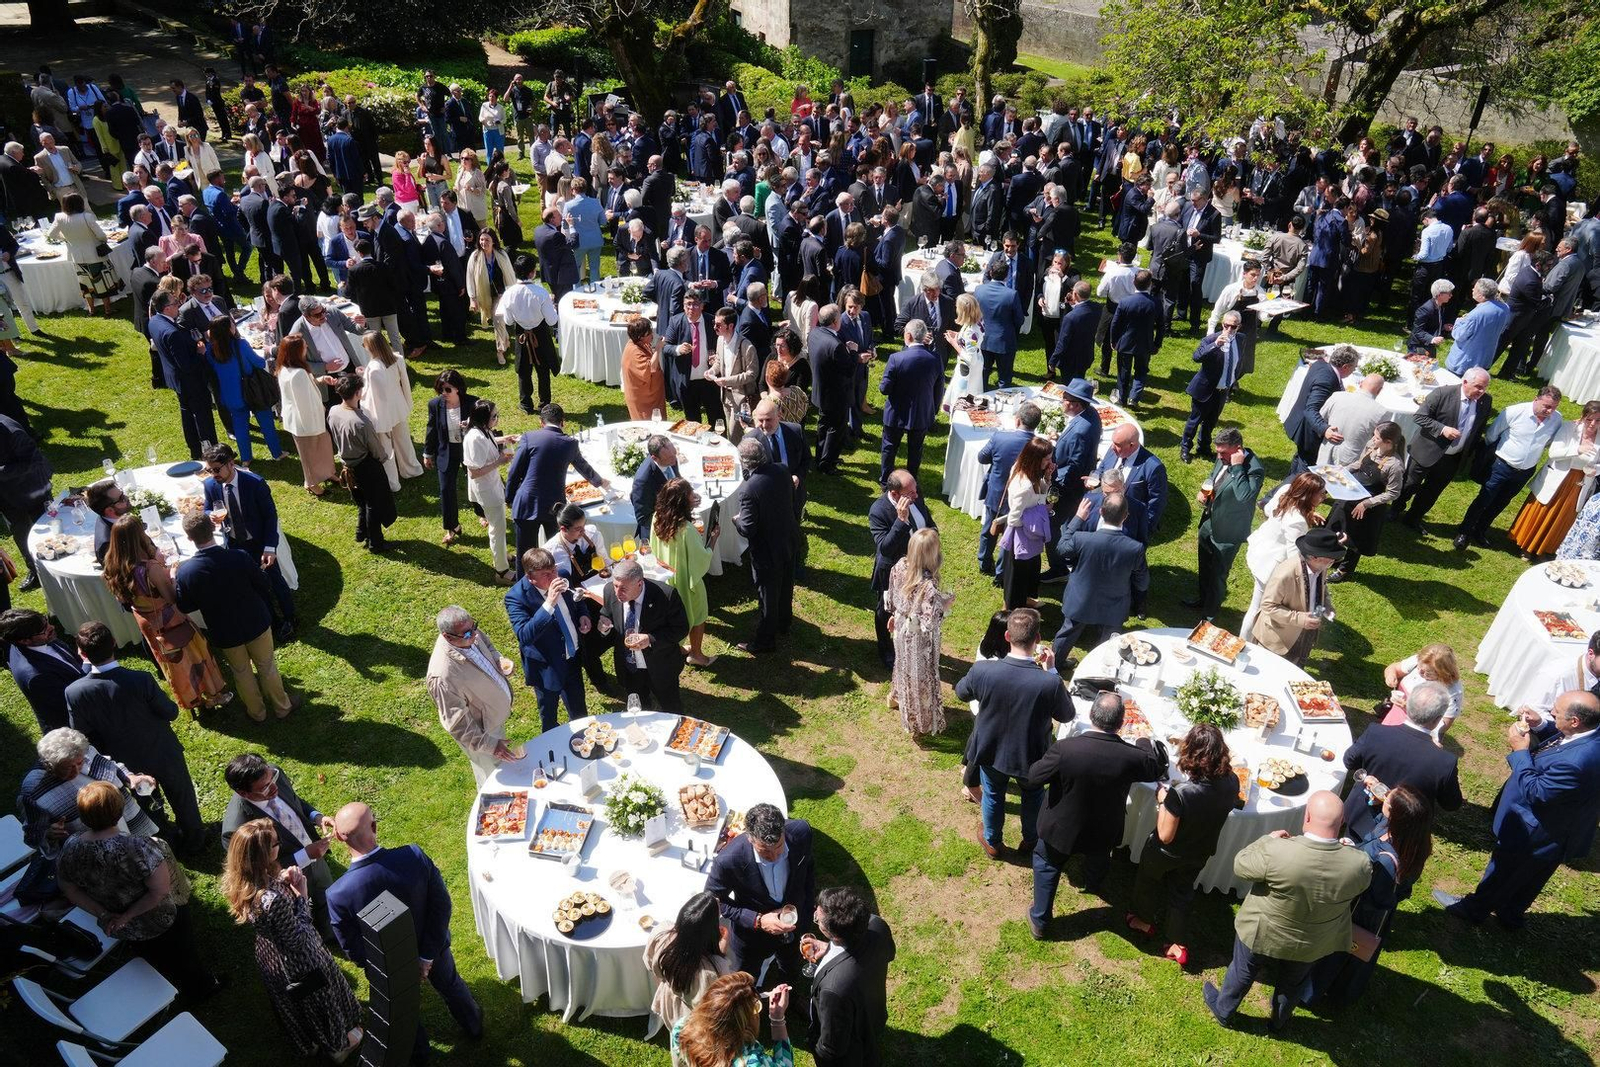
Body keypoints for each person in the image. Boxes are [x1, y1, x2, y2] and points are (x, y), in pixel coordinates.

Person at [1202, 791, 1373, 1033]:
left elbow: (1241, 865)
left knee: (1243, 970)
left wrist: (1267, 840)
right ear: (1342, 822)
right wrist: (1350, 850)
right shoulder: (1360, 864)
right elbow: (1362, 884)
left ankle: (1224, 1010)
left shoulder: (1278, 850)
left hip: (1263, 932)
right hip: (1313, 941)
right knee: (1293, 983)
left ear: (1307, 817)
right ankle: (1279, 1021)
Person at [1434, 690, 1600, 930]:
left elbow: (1536, 792)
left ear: (1575, 721)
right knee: (1533, 876)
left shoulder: (1575, 763)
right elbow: (1567, 740)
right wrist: (1542, 725)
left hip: (1537, 830)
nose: (1552, 713)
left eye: (1557, 712)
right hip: (1563, 828)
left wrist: (1520, 751)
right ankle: (1511, 913)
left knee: (1505, 869)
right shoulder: (1590, 734)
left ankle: (1474, 909)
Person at [328, 802, 483, 1051]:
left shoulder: (338, 894)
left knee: (403, 1012)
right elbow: (441, 906)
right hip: (434, 949)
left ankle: (419, 1052)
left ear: (337, 837)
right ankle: (474, 1025)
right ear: (375, 827)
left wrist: (388, 967)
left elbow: (352, 948)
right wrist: (426, 956)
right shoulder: (413, 856)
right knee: (451, 985)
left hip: (388, 970)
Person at [56, 780, 220, 995]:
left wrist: (106, 915)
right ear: (118, 811)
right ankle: (202, 988)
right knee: (183, 953)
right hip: (159, 918)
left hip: (122, 928)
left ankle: (163, 985)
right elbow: (159, 892)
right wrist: (126, 916)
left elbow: (69, 889)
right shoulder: (139, 847)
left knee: (151, 955)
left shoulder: (71, 847)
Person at [221, 818, 363, 1062]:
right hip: (300, 960)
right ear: (262, 855)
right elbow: (298, 937)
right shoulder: (272, 900)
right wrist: (301, 896)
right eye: (275, 844)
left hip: (271, 954)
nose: (281, 845)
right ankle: (338, 1045)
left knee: (297, 1003)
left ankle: (308, 1043)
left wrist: (282, 882)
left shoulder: (244, 882)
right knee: (320, 998)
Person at [1025, 691, 1167, 934]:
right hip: (1104, 829)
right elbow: (1154, 767)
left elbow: (1033, 778)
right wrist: (1143, 739)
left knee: (1047, 864)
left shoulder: (1066, 749)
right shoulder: (1131, 757)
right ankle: (1093, 882)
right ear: (1121, 724)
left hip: (1061, 828)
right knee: (1099, 857)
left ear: (1091, 715)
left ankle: (1040, 920)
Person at [65, 621, 204, 852]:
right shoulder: (141, 679)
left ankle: (165, 839)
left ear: (81, 654)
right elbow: (170, 712)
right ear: (115, 644)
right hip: (163, 751)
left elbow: (81, 734)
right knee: (182, 796)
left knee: (147, 804)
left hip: (126, 764)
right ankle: (195, 839)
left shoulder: (75, 692)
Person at [1302, 784, 1434, 1006]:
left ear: (1397, 816)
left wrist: (1347, 862)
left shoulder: (1386, 862)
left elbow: (1375, 898)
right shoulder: (1409, 837)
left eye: (1388, 802)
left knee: (1336, 953)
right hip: (1365, 899)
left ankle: (1310, 993)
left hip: (1359, 913)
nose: (1385, 798)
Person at [957, 608, 1072, 859]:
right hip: (1031, 756)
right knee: (1032, 798)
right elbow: (1067, 715)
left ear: (1007, 636)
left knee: (994, 795)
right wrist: (1052, 670)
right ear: (1038, 639)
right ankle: (1030, 841)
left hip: (991, 749)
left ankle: (992, 842)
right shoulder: (1049, 682)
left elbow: (961, 692)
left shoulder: (983, 671)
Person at [1126, 723, 1241, 964]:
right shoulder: (1232, 781)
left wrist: (1162, 801)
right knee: (1182, 892)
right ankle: (1176, 943)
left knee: (1147, 882)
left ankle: (1143, 922)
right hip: (1200, 850)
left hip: (1166, 853)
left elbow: (1165, 835)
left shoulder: (1182, 794)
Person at [705, 802, 816, 983]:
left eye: (779, 847)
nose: (774, 857)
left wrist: (807, 907)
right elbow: (713, 900)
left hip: (795, 924)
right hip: (752, 939)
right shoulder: (728, 860)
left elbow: (809, 869)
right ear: (749, 838)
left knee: (790, 967)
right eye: (765, 852)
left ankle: (790, 996)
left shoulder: (802, 832)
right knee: (746, 981)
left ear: (784, 832)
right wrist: (757, 920)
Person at [1342, 680, 1462, 839]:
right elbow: (1451, 803)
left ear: (1408, 706)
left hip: (1360, 818)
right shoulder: (1444, 762)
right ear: (1438, 719)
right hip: (1402, 832)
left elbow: (1349, 761)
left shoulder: (1376, 733)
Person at [1454, 386, 1565, 550]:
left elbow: (1549, 442)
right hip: (1501, 466)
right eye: (1546, 406)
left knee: (1501, 502)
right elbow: (1492, 435)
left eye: (1554, 408)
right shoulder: (1514, 412)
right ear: (1536, 399)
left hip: (1525, 471)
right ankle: (1464, 531)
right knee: (1484, 498)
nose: (1550, 411)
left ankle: (1480, 530)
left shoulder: (1557, 419)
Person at [804, 886, 896, 1067]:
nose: (815, 915)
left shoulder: (834, 988)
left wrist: (819, 1049)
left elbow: (833, 1047)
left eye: (818, 919)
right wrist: (830, 948)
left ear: (835, 935)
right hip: (873, 1013)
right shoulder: (877, 925)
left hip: (850, 1049)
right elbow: (889, 954)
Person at [427, 605, 518, 784]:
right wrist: (490, 745)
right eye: (468, 634)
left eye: (474, 628)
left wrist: (499, 659)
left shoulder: (468, 632)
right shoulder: (443, 676)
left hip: (492, 721)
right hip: (481, 735)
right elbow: (457, 724)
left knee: (505, 773)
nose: (474, 635)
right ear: (447, 637)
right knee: (493, 781)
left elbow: (488, 646)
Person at [506, 402, 610, 559]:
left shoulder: (529, 437)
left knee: (525, 556)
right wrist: (600, 481)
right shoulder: (570, 444)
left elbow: (514, 472)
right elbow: (583, 466)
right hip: (554, 507)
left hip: (527, 503)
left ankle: (524, 583)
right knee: (556, 554)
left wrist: (510, 497)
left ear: (541, 422)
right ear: (563, 422)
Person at [505, 547, 591, 732]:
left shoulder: (563, 575)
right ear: (530, 577)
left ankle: (583, 745)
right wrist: (549, 603)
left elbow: (577, 598)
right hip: (546, 667)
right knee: (549, 716)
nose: (553, 577)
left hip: (572, 657)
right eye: (546, 574)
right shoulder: (516, 598)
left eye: (554, 570)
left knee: (580, 714)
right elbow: (524, 636)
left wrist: (584, 614)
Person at [1053, 492, 1148, 659]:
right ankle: (1101, 674)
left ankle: (1053, 667)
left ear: (1101, 512)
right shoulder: (1135, 548)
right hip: (1114, 605)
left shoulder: (1082, 539)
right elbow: (1142, 582)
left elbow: (1061, 548)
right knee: (1109, 645)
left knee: (1066, 634)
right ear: (1125, 516)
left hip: (1081, 600)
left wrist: (1078, 519)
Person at [1397, 369, 1493, 529]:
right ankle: (1395, 509)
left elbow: (1479, 427)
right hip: (1426, 451)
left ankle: (1413, 518)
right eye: (1478, 387)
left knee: (1432, 491)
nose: (1481, 391)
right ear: (1465, 382)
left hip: (1453, 458)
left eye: (1484, 388)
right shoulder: (1443, 393)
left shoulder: (1485, 401)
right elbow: (1420, 416)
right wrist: (1442, 429)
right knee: (1410, 484)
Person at [1187, 428, 1265, 620]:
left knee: (1218, 575)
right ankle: (1203, 598)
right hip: (1209, 522)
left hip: (1228, 532)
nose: (1218, 456)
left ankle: (1210, 614)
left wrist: (1237, 467)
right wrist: (1205, 491)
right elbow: (1215, 477)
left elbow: (1244, 496)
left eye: (1223, 452)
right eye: (1218, 451)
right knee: (1204, 565)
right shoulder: (1222, 457)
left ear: (1237, 449)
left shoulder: (1254, 469)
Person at [886, 527, 956, 735]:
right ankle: (920, 721)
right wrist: (945, 605)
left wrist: (894, 615)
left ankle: (897, 697)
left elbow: (891, 598)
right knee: (921, 677)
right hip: (919, 638)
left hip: (901, 625)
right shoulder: (929, 588)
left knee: (902, 666)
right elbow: (931, 622)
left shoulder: (899, 566)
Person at [1510, 400, 1600, 558]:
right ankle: (1526, 545)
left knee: (1562, 517)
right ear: (1583, 416)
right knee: (1544, 510)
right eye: (1589, 419)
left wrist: (1595, 470)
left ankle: (1545, 548)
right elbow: (1553, 453)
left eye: (1598, 420)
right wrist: (1577, 449)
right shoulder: (1569, 427)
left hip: (1580, 482)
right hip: (1558, 476)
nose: (1593, 424)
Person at [1240, 474, 1326, 639]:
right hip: (1270, 565)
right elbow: (1295, 556)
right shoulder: (1297, 522)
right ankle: (1244, 643)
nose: (1324, 497)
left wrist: (1309, 514)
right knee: (1256, 608)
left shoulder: (1286, 490)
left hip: (1261, 551)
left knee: (1257, 604)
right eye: (1321, 494)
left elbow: (1267, 509)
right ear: (1308, 495)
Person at [734, 436, 799, 654]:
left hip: (767, 551)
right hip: (788, 539)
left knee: (767, 596)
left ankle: (765, 641)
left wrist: (736, 520)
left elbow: (748, 528)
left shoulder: (749, 489)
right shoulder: (782, 469)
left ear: (745, 462)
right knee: (786, 584)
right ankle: (784, 623)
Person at [601, 558, 689, 713]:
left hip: (660, 665)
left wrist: (650, 639)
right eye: (615, 586)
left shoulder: (666, 596)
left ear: (639, 584)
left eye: (623, 589)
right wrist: (603, 625)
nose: (617, 593)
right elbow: (607, 612)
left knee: (671, 707)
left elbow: (681, 628)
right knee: (639, 710)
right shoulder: (610, 591)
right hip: (629, 668)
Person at [646, 891, 735, 1041]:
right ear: (710, 930)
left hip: (671, 1002)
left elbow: (650, 964)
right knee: (692, 1049)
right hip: (696, 1017)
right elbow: (719, 1003)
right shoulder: (714, 968)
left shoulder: (661, 934)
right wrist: (721, 953)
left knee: (676, 1038)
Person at [1322, 421, 1405, 580]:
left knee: (1355, 539)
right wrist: (1341, 471)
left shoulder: (1395, 466)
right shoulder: (1371, 446)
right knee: (1336, 526)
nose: (1373, 439)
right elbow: (1360, 463)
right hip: (1351, 494)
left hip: (1369, 505)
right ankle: (1333, 556)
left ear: (1388, 442)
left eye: (1377, 437)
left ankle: (1344, 570)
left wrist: (1366, 504)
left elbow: (1393, 493)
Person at [869, 470, 936, 667]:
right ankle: (886, 650)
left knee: (917, 607)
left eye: (916, 490)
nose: (916, 495)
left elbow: (928, 521)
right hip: (893, 571)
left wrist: (933, 536)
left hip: (921, 566)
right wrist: (901, 520)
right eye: (911, 492)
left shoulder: (916, 495)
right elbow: (886, 548)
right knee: (886, 611)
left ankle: (914, 644)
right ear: (896, 494)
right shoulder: (878, 510)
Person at [1250, 527, 1343, 667]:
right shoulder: (1285, 574)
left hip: (1302, 637)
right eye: (1330, 560)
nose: (1332, 563)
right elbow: (1268, 606)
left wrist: (1327, 606)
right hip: (1278, 640)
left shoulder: (1320, 567)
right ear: (1314, 557)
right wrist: (1300, 619)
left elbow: (1322, 588)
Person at [653, 477, 718, 667]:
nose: (693, 496)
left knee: (672, 618)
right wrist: (713, 538)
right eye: (690, 494)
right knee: (698, 615)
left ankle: (680, 649)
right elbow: (701, 558)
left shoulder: (656, 518)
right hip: (687, 581)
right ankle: (696, 655)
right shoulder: (686, 529)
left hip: (666, 578)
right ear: (682, 501)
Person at [327, 374, 396, 552]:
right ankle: (376, 543)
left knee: (361, 501)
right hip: (366, 466)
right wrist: (383, 459)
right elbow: (376, 449)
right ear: (358, 393)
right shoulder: (361, 422)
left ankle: (361, 531)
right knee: (373, 504)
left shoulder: (333, 411)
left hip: (347, 466)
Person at [148, 288, 217, 458]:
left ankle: (195, 449)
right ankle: (213, 453)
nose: (179, 304)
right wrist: (200, 353)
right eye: (175, 303)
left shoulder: (154, 321)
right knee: (203, 417)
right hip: (190, 382)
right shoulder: (172, 334)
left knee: (187, 414)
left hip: (176, 380)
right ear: (166, 309)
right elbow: (186, 365)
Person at [671, 971, 793, 1067]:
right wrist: (777, 1019)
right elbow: (786, 1064)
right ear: (740, 1025)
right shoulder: (752, 1063)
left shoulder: (682, 1029)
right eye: (755, 1008)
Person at [877, 319, 943, 486]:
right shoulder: (935, 358)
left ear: (908, 336)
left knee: (889, 448)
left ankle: (886, 482)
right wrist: (932, 410)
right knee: (915, 450)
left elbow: (884, 389)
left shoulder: (896, 358)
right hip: (921, 413)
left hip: (896, 413)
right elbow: (939, 389)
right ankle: (911, 482)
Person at [2, 609, 87, 733]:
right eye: (44, 630)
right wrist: (89, 664)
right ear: (24, 640)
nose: (51, 627)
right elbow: (71, 703)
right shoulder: (36, 675)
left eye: (46, 621)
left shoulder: (38, 640)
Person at [272, 335, 337, 495]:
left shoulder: (286, 368)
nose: (307, 347)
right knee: (309, 452)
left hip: (305, 418)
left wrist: (320, 379)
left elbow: (305, 386)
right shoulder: (298, 372)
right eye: (304, 346)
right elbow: (304, 402)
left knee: (323, 445)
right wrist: (319, 411)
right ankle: (312, 483)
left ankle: (328, 472)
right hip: (305, 420)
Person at [496, 252, 560, 413]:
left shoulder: (509, 293)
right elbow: (552, 320)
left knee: (524, 370)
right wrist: (552, 305)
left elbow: (509, 321)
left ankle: (526, 403)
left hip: (521, 334)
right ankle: (544, 403)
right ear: (532, 272)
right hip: (540, 334)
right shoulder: (540, 292)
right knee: (543, 369)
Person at [359, 331, 421, 491]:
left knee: (386, 449)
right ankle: (411, 469)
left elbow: (374, 396)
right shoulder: (398, 359)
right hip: (398, 406)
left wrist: (363, 378)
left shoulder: (374, 369)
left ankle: (392, 482)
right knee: (403, 440)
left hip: (382, 413)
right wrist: (407, 403)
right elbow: (405, 384)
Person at [1180, 311, 1244, 464]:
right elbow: (1196, 357)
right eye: (1225, 325)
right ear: (1222, 324)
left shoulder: (1241, 340)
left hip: (1222, 391)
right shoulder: (1210, 339)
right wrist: (1215, 345)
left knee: (1211, 422)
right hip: (1204, 389)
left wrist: (1233, 381)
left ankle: (1203, 447)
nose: (1228, 330)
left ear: (1238, 327)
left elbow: (1237, 363)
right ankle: (1185, 448)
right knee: (1194, 421)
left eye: (1233, 327)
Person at [462, 400, 515, 583]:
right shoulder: (475, 437)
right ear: (484, 418)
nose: (497, 419)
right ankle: (501, 571)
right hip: (487, 490)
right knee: (497, 528)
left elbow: (489, 441)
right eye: (494, 416)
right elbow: (474, 472)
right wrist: (499, 462)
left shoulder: (482, 430)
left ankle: (503, 555)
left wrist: (505, 438)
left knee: (498, 526)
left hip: (491, 486)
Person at [1284, 345, 1358, 473]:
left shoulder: (1320, 364)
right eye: (1354, 367)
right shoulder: (1326, 381)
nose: (1354, 369)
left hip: (1300, 422)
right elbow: (1311, 409)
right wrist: (1325, 429)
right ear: (1345, 367)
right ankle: (1298, 489)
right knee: (1307, 464)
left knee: (1301, 456)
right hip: (1307, 429)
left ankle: (1290, 482)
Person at [423, 368, 477, 544]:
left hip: (468, 449)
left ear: (458, 389)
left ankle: (483, 514)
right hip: (446, 451)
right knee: (446, 489)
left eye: (447, 389)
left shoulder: (472, 403)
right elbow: (431, 429)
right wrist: (427, 453)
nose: (443, 393)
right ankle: (451, 526)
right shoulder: (435, 404)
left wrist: (469, 426)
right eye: (441, 389)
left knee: (476, 483)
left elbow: (485, 426)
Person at [46, 191, 118, 315]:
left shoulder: (60, 217)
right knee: (102, 282)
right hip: (95, 255)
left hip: (77, 256)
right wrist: (103, 239)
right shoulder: (87, 217)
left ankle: (91, 309)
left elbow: (51, 234)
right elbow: (101, 236)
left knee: (85, 283)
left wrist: (66, 238)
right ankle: (107, 309)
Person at [1378, 643, 1464, 732]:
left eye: (1428, 672)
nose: (1419, 672)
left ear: (1442, 673)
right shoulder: (1422, 660)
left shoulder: (1452, 691)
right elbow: (1394, 668)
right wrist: (1390, 675)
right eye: (1419, 667)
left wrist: (1412, 710)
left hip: (1415, 732)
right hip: (1393, 717)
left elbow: (1443, 726)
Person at [1316, 372, 1387, 466]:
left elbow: (1318, 420)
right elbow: (1378, 440)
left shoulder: (1337, 396)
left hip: (1325, 453)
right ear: (1379, 391)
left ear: (1361, 383)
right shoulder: (1381, 412)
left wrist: (1325, 430)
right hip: (1351, 461)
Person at [938, 293, 985, 408]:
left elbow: (969, 357)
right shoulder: (978, 322)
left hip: (968, 369)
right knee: (973, 389)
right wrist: (959, 335)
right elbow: (973, 341)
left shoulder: (970, 331)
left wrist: (953, 342)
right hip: (978, 360)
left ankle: (959, 415)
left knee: (962, 393)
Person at [621, 315, 666, 420]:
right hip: (644, 400)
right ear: (640, 336)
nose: (652, 334)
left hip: (653, 396)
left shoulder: (640, 343)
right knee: (647, 427)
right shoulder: (634, 352)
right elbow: (652, 368)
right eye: (649, 333)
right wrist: (658, 348)